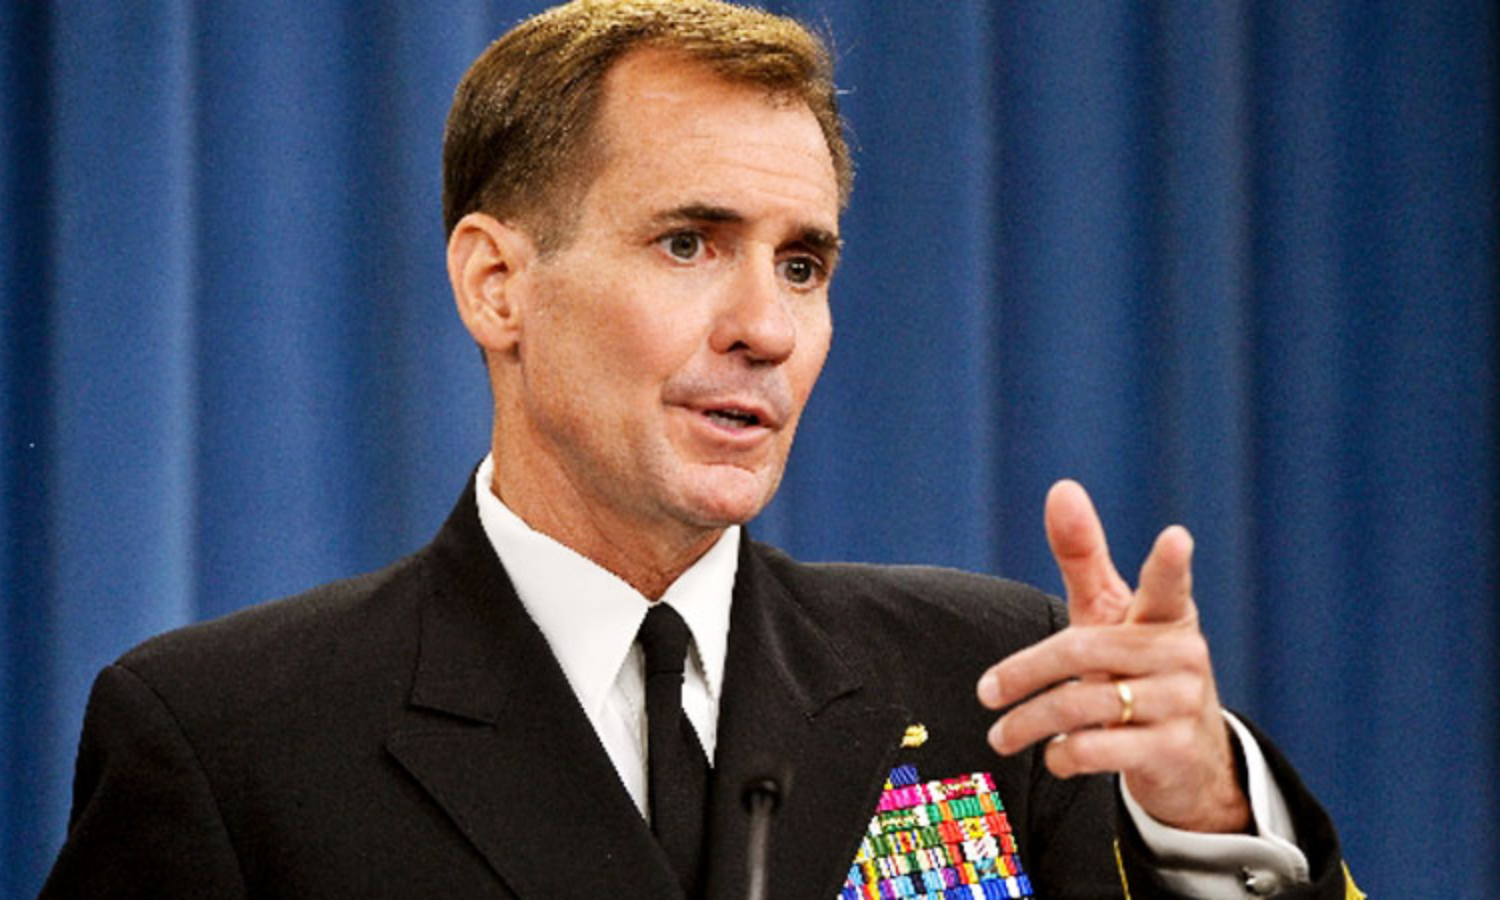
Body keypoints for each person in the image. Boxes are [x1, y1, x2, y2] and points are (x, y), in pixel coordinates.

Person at [42, 2, 1359, 898]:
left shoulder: (996, 686)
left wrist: (1204, 818)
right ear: (498, 285)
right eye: (689, 244)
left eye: (803, 265)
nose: (766, 330)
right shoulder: (233, 741)